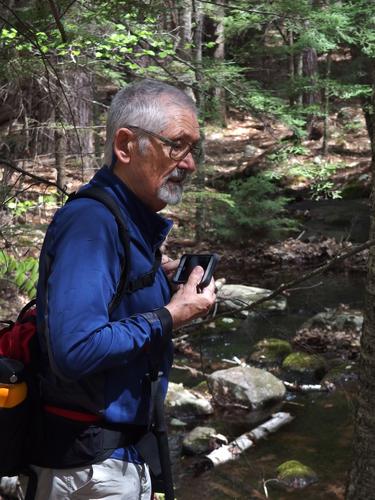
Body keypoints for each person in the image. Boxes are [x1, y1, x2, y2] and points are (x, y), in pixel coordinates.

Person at [33, 79, 216, 499]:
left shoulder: (130, 221)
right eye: (177, 145)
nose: (188, 164)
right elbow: (75, 349)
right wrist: (172, 315)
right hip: (89, 468)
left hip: (115, 458)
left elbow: (115, 311)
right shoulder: (93, 223)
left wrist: (160, 286)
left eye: (194, 150)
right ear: (125, 145)